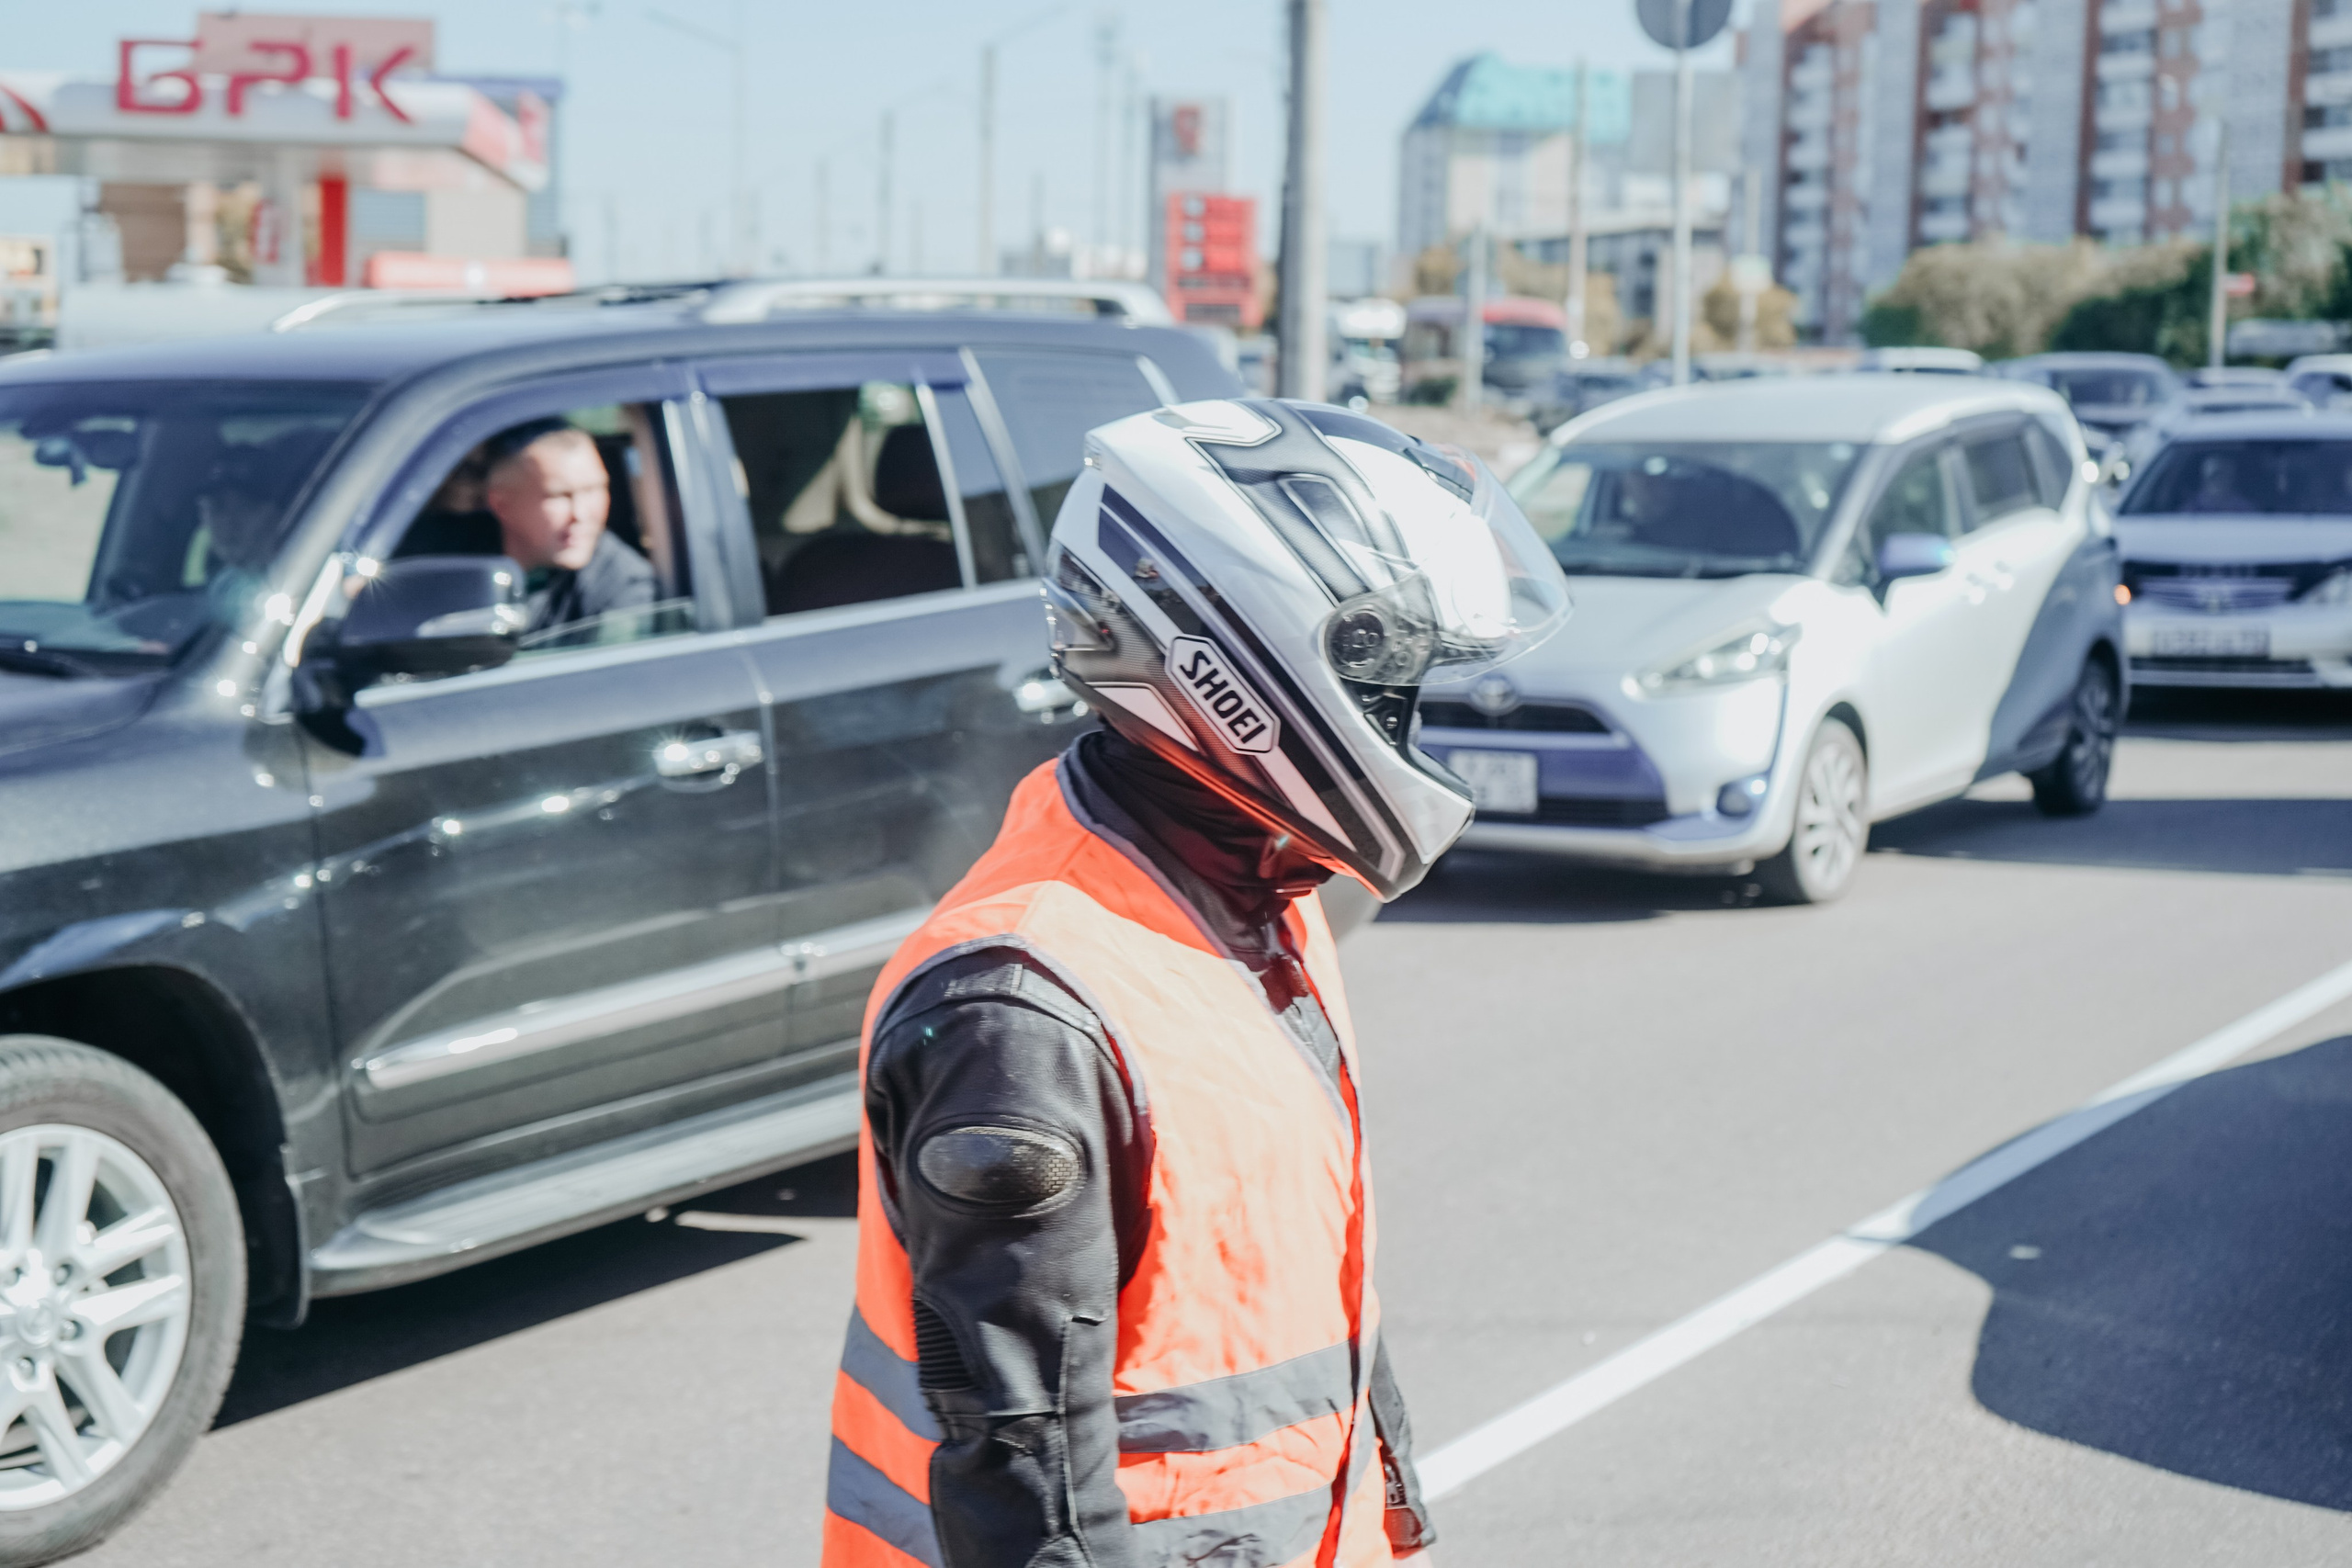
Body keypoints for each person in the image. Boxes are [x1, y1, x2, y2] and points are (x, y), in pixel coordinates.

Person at [820, 399, 1571, 1568]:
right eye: (1388, 674)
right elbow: (1028, 1487)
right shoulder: (1020, 1006)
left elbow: (1296, 1299)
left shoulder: (1256, 898)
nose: (1412, 718)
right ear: (1233, 664)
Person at [479, 419, 655, 634]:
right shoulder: (454, 559)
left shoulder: (622, 583)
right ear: (501, 505)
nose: (581, 515)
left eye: (594, 489)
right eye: (559, 495)